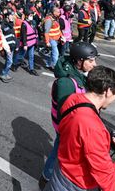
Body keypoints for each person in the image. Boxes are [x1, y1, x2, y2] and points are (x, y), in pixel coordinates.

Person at [44, 66, 115, 191]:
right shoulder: (93, 129)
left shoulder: (72, 99)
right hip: (74, 184)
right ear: (108, 91)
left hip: (60, 172)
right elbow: (109, 182)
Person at [39, 42, 99, 190]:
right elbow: (66, 113)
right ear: (79, 61)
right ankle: (47, 176)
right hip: (67, 127)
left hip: (74, 124)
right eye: (91, 61)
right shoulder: (66, 83)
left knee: (59, 149)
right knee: (59, 151)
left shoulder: (79, 73)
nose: (94, 64)